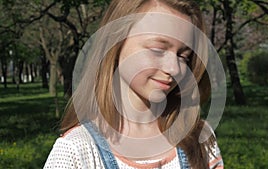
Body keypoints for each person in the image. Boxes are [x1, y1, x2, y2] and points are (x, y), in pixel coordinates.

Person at [44, 0, 224, 168]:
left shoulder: (198, 138)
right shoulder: (76, 151)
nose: (173, 68)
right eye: (158, 50)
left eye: (183, 56)